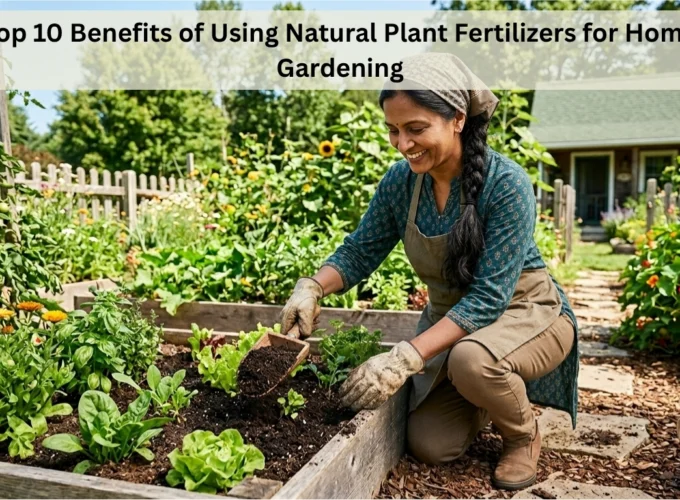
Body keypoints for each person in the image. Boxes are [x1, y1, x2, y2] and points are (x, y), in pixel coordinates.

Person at [279, 53, 579, 491]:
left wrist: (404, 357)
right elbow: (360, 251)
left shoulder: (506, 184)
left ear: (457, 118)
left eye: (416, 128)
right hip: (453, 325)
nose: (402, 143)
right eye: (393, 130)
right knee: (430, 444)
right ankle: (483, 392)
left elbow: (488, 300)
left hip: (526, 312)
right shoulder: (401, 184)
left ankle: (521, 434)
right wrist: (312, 287)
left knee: (471, 360)